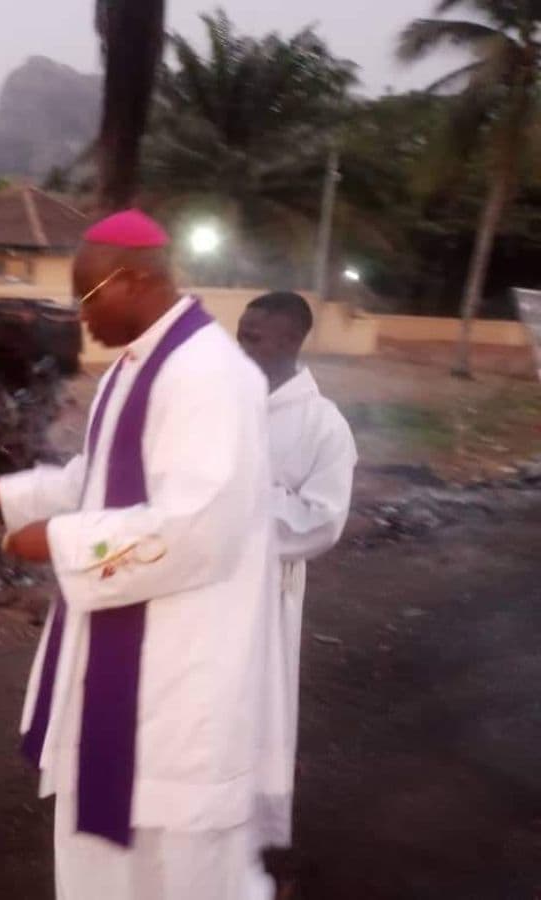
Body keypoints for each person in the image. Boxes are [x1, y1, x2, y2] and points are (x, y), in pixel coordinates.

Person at [0, 209, 279, 899]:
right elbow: (98, 477)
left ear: (137, 281)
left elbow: (198, 527)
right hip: (124, 651)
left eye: (86, 296)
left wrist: (58, 542)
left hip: (177, 668)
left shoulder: (209, 374)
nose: (78, 315)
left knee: (179, 868)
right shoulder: (138, 364)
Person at [237, 291, 357, 852]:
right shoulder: (223, 404)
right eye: (239, 333)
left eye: (251, 336)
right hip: (200, 586)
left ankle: (254, 848)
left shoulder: (323, 425)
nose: (239, 346)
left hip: (265, 594)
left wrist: (237, 503)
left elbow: (322, 521)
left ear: (289, 340)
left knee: (256, 714)